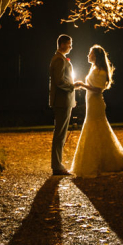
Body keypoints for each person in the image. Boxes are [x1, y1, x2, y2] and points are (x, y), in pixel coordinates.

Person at [69, 44, 123, 177]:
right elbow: (92, 86)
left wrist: (82, 84)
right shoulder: (94, 69)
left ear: (96, 56)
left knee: (96, 127)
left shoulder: (101, 71)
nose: (88, 55)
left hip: (96, 103)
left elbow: (98, 89)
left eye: (91, 53)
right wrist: (81, 86)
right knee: (95, 127)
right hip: (91, 102)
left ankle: (104, 160)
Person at [49, 34, 76, 176]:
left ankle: (57, 164)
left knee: (61, 133)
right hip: (62, 100)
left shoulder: (60, 59)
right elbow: (59, 81)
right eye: (69, 44)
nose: (71, 47)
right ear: (62, 44)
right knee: (60, 134)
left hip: (64, 100)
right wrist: (72, 86)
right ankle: (57, 166)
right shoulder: (59, 60)